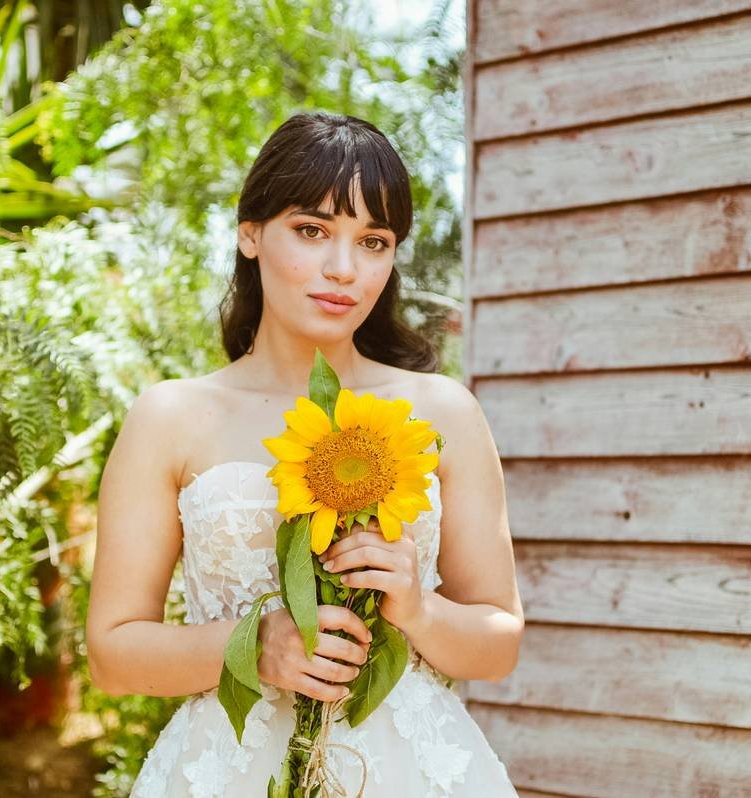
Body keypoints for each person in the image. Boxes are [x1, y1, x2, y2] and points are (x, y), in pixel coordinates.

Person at [87, 110, 523, 797]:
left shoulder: (442, 413)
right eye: (313, 230)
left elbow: (499, 643)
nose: (343, 269)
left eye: (373, 241)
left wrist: (416, 607)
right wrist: (254, 646)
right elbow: (112, 656)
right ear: (250, 232)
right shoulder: (169, 418)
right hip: (227, 770)